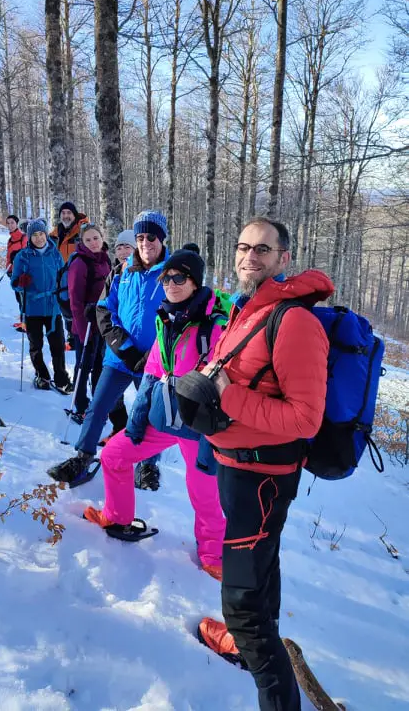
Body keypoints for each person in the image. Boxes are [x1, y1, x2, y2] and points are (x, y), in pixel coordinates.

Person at [196, 217, 333, 711]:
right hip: (238, 470)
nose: (249, 256)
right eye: (242, 246)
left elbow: (305, 419)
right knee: (262, 572)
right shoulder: (246, 311)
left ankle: (266, 675)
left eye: (262, 249)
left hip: (263, 481)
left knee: (243, 605)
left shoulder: (294, 321)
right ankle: (250, 650)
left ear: (283, 258)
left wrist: (227, 398)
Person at [83, 248, 230, 579]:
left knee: (203, 492)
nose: (171, 283)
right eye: (167, 277)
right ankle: (116, 516)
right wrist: (137, 418)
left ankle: (212, 555)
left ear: (195, 282)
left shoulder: (213, 325)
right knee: (115, 454)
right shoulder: (165, 317)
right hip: (166, 415)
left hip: (199, 425)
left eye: (180, 277)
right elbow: (152, 369)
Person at [48, 210, 169, 490]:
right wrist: (124, 348)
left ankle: (149, 465)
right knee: (98, 406)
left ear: (162, 238)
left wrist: (153, 355)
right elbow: (105, 310)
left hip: (154, 361)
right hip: (120, 356)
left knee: (152, 413)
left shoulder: (173, 273)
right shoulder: (122, 271)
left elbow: (180, 317)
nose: (145, 242)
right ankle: (83, 456)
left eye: (151, 237)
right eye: (140, 237)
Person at [11, 218, 73, 393]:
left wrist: (65, 298)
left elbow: (63, 278)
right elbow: (14, 283)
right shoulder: (23, 256)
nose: (39, 238)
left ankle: (61, 377)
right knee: (35, 345)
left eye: (41, 234)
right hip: (33, 308)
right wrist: (20, 282)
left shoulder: (55, 254)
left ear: (46, 234)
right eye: (35, 235)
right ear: (29, 238)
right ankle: (42, 376)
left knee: (58, 345)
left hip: (53, 308)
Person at [67, 223, 111, 421]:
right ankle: (80, 404)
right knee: (83, 366)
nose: (94, 243)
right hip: (84, 327)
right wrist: (85, 329)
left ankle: (96, 402)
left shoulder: (105, 260)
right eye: (88, 240)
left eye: (96, 238)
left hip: (103, 324)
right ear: (82, 242)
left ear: (102, 238)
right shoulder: (79, 264)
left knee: (100, 366)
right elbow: (75, 302)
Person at [99, 229, 137, 445]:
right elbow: (106, 305)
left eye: (127, 247)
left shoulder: (144, 274)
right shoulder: (114, 273)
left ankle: (141, 448)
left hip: (140, 350)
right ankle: (119, 427)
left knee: (144, 399)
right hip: (115, 343)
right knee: (111, 396)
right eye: (119, 247)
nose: (123, 251)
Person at [50, 201, 89, 349]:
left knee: (79, 306)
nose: (66, 216)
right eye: (63, 213)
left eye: (69, 213)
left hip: (79, 273)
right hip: (61, 275)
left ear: (75, 215)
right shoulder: (55, 233)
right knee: (65, 304)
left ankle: (82, 335)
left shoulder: (82, 231)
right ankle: (72, 336)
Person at [6, 214, 28, 330]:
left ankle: (26, 323)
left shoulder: (23, 237)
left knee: (23, 298)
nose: (10, 225)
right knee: (19, 298)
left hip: (22, 272)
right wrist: (8, 270)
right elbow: (8, 257)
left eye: (12, 223)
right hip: (13, 272)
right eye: (8, 223)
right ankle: (23, 321)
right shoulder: (10, 239)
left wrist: (18, 255)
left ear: (17, 224)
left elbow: (26, 252)